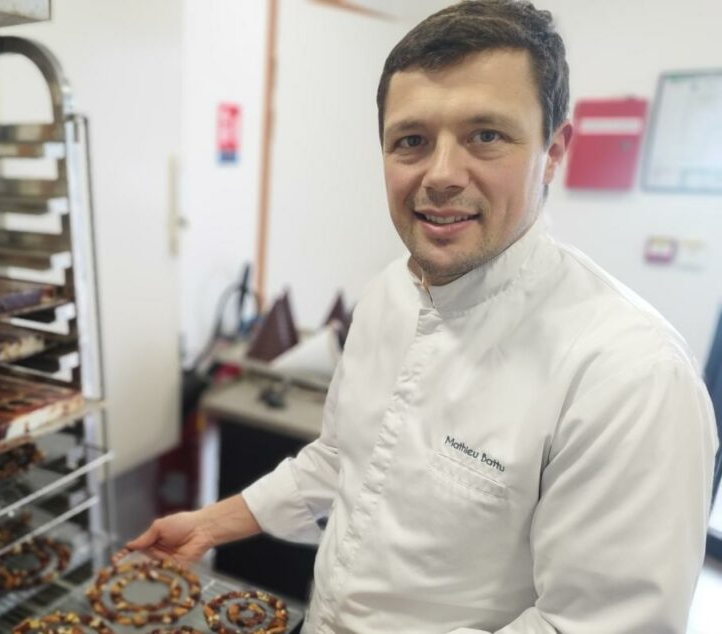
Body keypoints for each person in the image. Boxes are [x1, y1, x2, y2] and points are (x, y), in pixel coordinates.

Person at [127, 1, 719, 632]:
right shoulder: (389, 293)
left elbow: (594, 625)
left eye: (485, 136)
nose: (440, 175)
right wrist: (213, 522)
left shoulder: (631, 377)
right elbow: (345, 457)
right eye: (412, 141)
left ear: (553, 150)